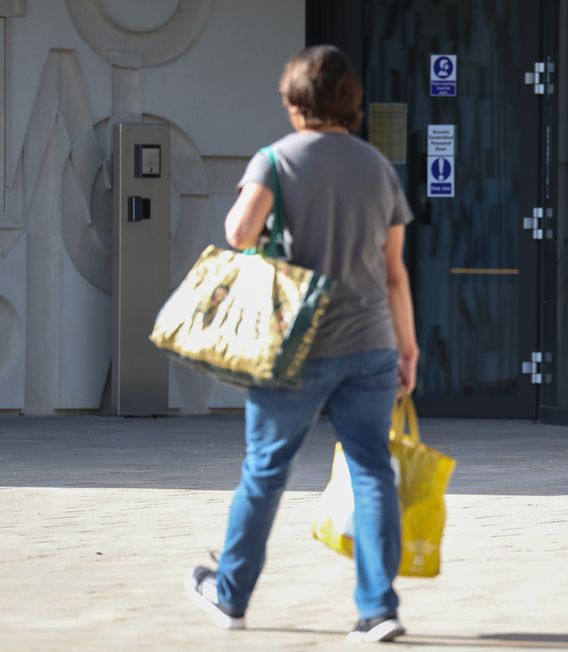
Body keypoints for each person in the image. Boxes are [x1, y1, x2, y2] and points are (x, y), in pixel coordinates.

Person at [184, 45, 419, 643]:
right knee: (372, 473)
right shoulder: (377, 169)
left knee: (266, 471)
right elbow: (395, 272)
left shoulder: (275, 160)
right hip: (371, 342)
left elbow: (237, 233)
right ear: (352, 104)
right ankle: (378, 609)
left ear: (295, 103)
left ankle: (231, 596)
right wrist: (407, 348)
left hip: (295, 346)